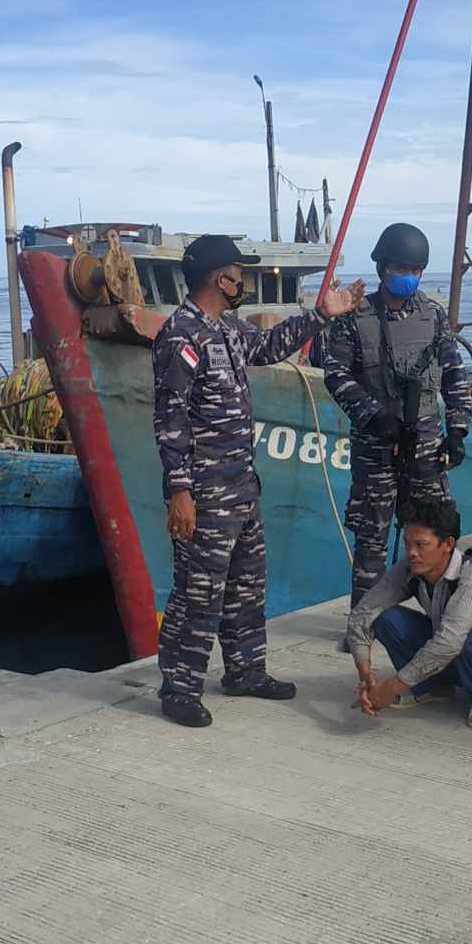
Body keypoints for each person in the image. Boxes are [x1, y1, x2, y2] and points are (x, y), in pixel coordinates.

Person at [153, 234, 367, 727]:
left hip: (242, 486)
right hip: (205, 492)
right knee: (197, 592)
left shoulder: (226, 326)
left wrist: (322, 313)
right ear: (218, 277)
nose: (244, 279)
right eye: (238, 271)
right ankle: (179, 687)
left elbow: (268, 347)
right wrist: (180, 492)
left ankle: (245, 669)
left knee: (247, 584)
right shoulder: (182, 336)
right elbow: (171, 419)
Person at [321, 223, 472, 603]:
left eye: (414, 270)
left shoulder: (433, 316)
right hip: (376, 443)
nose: (407, 276)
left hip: (424, 443)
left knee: (431, 532)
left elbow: (455, 372)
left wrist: (457, 430)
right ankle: (366, 623)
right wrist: (373, 415)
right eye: (400, 268)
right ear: (382, 269)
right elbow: (336, 374)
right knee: (371, 537)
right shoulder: (355, 318)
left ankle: (436, 614)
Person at [346, 497, 472, 729]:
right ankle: (432, 686)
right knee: (383, 617)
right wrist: (366, 675)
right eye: (408, 543)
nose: (411, 553)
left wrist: (391, 687)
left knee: (468, 632)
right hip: (450, 650)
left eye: (421, 545)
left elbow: (449, 642)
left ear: (448, 544)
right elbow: (362, 613)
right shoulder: (410, 567)